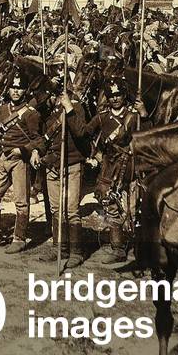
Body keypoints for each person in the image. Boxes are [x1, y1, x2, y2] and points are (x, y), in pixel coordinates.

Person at [82, 80, 140, 265]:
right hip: (109, 165)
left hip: (130, 166)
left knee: (132, 206)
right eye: (112, 95)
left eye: (118, 95)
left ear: (124, 96)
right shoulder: (102, 117)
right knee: (111, 204)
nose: (115, 98)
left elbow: (146, 135)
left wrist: (144, 114)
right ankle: (117, 249)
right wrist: (96, 153)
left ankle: (138, 247)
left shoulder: (133, 116)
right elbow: (86, 132)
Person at [0, 73, 44, 253]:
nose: (16, 91)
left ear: (24, 90)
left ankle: (19, 238)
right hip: (3, 158)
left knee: (21, 202)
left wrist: (24, 150)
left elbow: (38, 140)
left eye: (19, 88)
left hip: (19, 160)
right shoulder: (2, 109)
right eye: (13, 87)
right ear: (8, 89)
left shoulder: (30, 114)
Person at [40, 73, 93, 268]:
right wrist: (38, 151)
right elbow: (42, 134)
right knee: (56, 210)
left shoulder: (76, 105)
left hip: (71, 163)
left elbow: (81, 133)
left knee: (71, 210)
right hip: (53, 163)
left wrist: (69, 108)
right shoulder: (47, 106)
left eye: (58, 82)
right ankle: (58, 248)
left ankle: (76, 252)